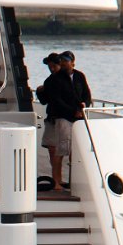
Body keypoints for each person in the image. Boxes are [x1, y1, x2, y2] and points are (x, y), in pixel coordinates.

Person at [44, 50, 92, 191]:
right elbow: (56, 99)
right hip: (63, 117)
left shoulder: (79, 76)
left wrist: (84, 105)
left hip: (78, 118)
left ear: (72, 62)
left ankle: (73, 181)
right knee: (60, 150)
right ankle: (56, 182)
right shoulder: (55, 79)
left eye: (66, 60)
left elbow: (87, 94)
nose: (63, 63)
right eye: (62, 61)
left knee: (74, 151)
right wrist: (73, 111)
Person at [35, 52, 61, 184]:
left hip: (65, 118)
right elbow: (45, 101)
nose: (51, 69)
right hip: (52, 118)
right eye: (50, 67)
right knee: (52, 148)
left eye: (54, 66)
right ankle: (57, 179)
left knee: (64, 150)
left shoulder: (66, 80)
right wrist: (40, 92)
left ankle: (58, 180)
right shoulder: (49, 81)